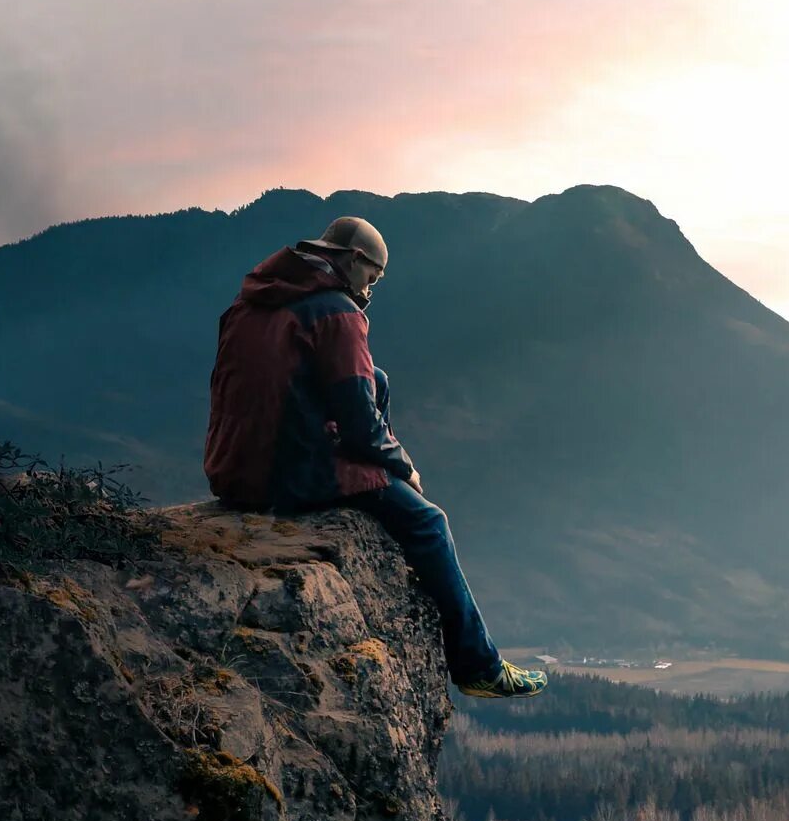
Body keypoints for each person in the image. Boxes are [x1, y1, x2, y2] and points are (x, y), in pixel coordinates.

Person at [204, 215, 546, 699]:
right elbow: (362, 426)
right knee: (429, 522)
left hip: (232, 467)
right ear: (354, 261)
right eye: (372, 277)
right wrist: (402, 466)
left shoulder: (252, 301)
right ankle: (479, 667)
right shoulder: (336, 312)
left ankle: (377, 485)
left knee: (376, 378)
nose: (369, 290)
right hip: (288, 476)